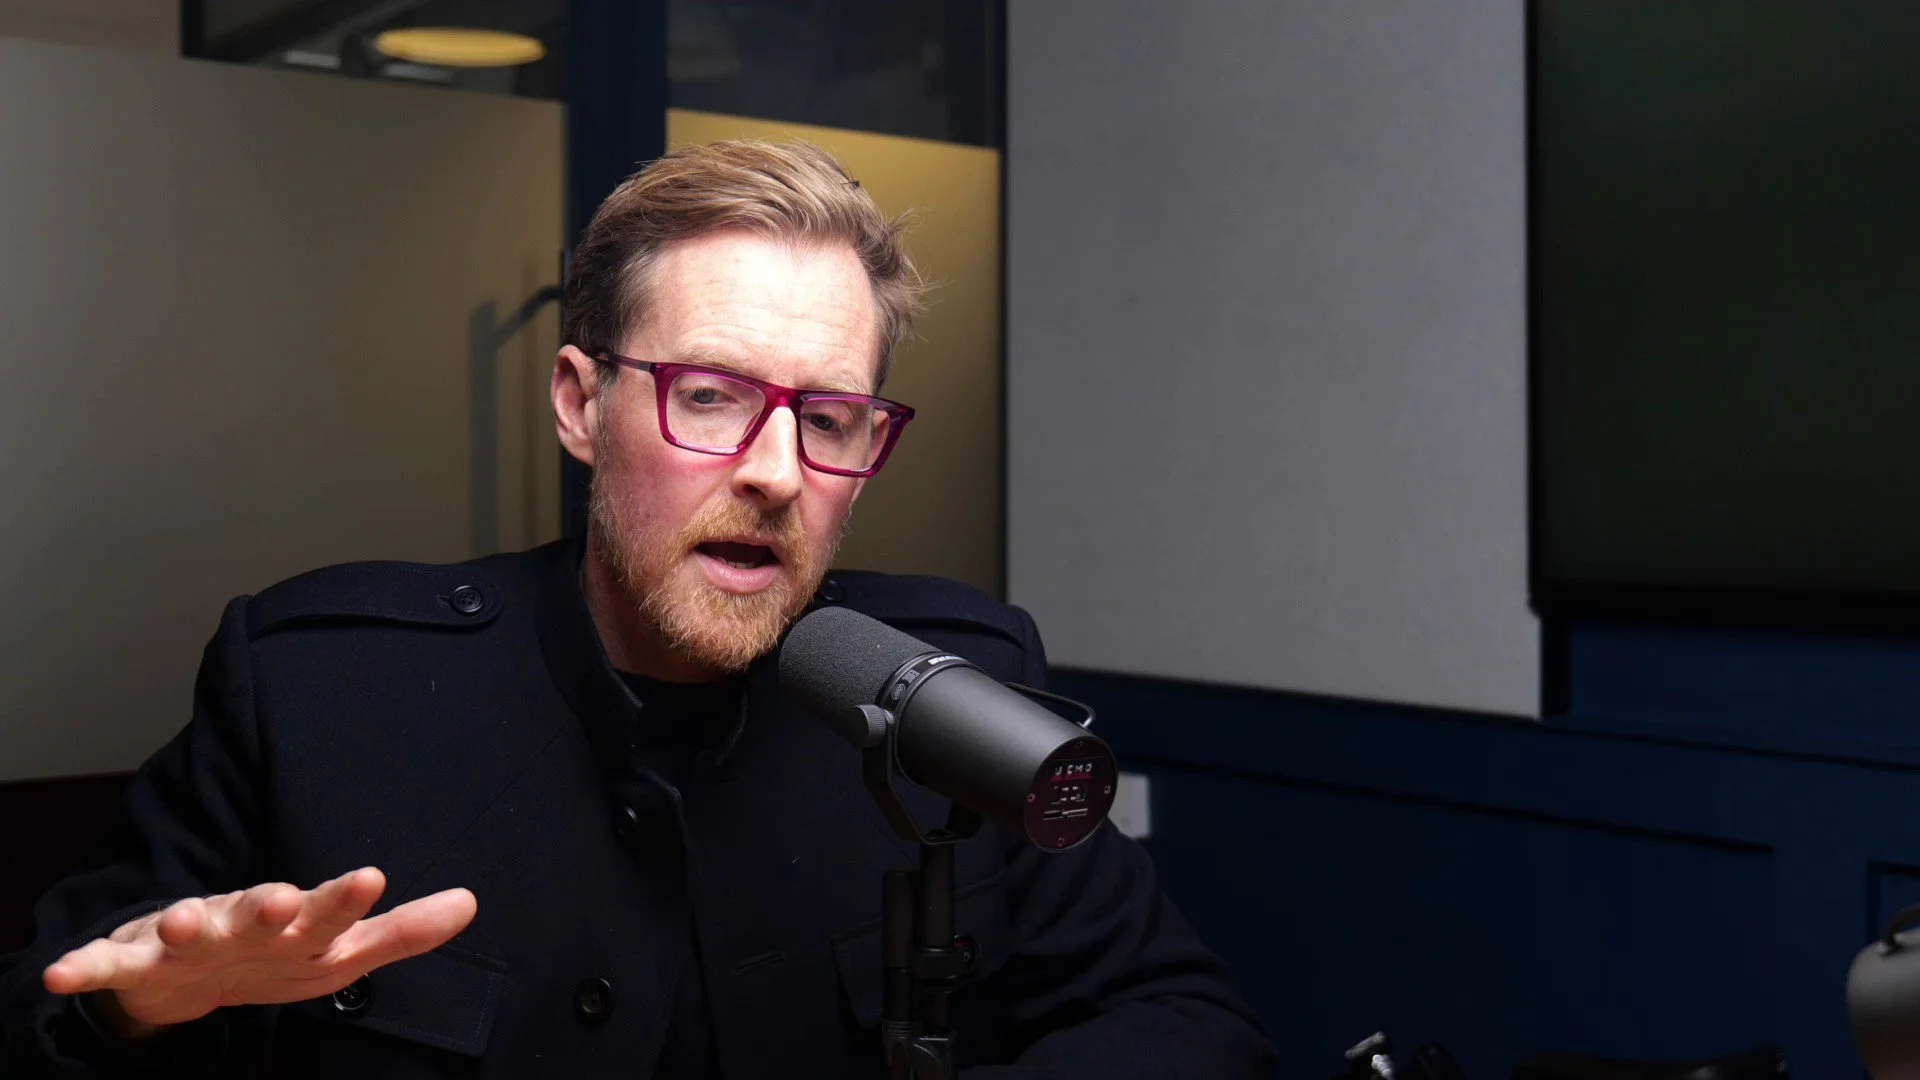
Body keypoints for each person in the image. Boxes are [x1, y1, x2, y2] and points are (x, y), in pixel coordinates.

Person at [0, 139, 1276, 1078]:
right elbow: (38, 1012)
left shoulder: (948, 697)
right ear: (577, 404)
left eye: (829, 418)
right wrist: (131, 1018)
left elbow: (1186, 1024)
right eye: (711, 396)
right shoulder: (318, 691)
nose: (778, 472)